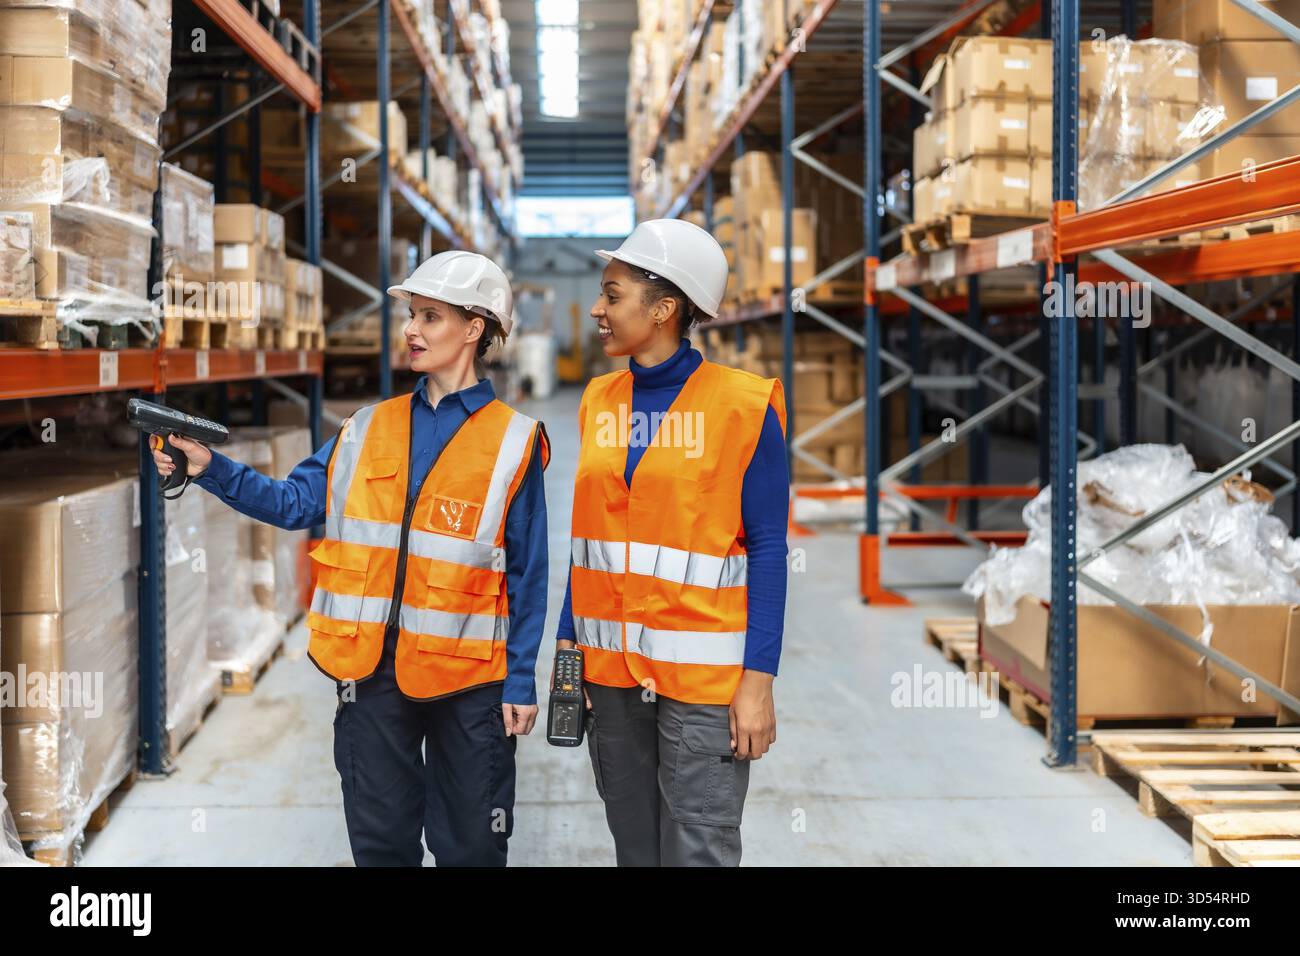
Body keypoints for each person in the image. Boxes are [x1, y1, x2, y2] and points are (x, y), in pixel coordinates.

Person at [152, 251, 549, 867]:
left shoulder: (515, 440)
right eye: (412, 316)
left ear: (475, 329)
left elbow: (528, 571)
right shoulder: (366, 427)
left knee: (471, 844)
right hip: (372, 671)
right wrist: (210, 469)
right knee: (380, 840)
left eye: (431, 317)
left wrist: (521, 677)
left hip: (470, 677)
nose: (411, 330)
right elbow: (291, 503)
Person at [556, 218, 790, 866]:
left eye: (612, 294)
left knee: (698, 850)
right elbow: (589, 540)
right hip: (610, 674)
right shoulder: (600, 398)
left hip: (704, 680)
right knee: (635, 849)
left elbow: (769, 548)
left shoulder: (744, 406)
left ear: (664, 309)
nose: (598, 310)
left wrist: (758, 684)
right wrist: (566, 646)